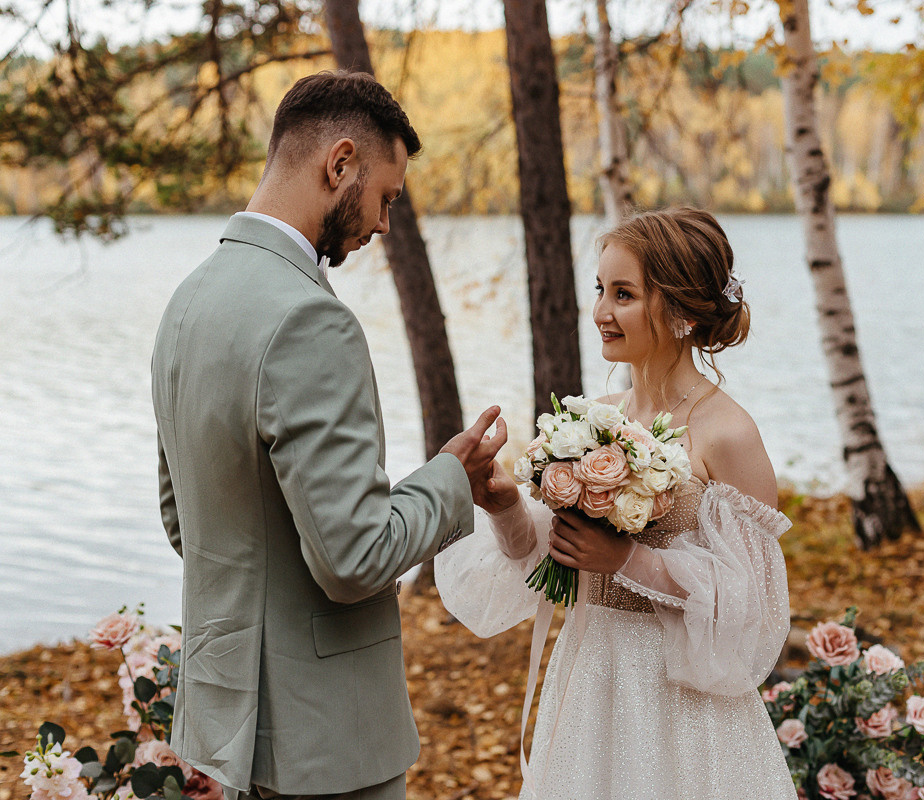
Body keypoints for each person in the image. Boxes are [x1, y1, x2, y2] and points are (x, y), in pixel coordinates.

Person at [151, 70, 508, 800]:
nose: (383, 224)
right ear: (339, 162)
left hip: (227, 728)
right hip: (326, 743)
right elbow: (353, 557)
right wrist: (448, 480)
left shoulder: (186, 303)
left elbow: (183, 520)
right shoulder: (310, 320)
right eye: (386, 197)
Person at [436, 208, 798, 799]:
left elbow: (750, 605)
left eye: (624, 294)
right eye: (600, 289)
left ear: (680, 311)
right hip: (589, 677)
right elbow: (544, 566)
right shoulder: (596, 418)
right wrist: (504, 507)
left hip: (678, 697)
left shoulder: (728, 434)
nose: (601, 311)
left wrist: (626, 560)